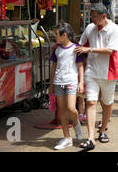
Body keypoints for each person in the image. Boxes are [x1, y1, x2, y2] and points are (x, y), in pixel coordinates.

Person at [75, 3, 118, 151]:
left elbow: (111, 50)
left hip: (108, 73)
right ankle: (90, 138)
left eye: (95, 17)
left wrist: (89, 49)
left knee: (107, 103)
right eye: (91, 16)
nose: (92, 19)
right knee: (91, 102)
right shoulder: (90, 28)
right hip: (91, 71)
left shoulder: (114, 29)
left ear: (104, 16)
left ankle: (103, 129)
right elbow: (79, 44)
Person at [49, 22, 85, 150]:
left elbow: (80, 67)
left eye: (57, 34)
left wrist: (81, 82)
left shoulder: (76, 49)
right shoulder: (57, 49)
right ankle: (67, 138)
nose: (55, 37)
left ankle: (76, 124)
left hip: (71, 82)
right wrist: (51, 84)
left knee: (71, 108)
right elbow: (53, 67)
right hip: (58, 82)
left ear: (64, 35)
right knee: (62, 111)